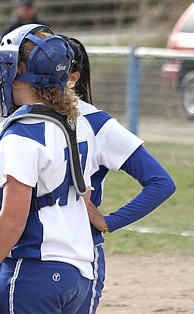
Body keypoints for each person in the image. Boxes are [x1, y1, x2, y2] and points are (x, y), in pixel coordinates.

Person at [0, 24, 99, 314]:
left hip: (33, 272)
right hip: (80, 273)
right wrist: (1, 189)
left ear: (20, 70)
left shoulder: (20, 134)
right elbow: (74, 189)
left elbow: (13, 219)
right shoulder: (78, 123)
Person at [62, 36, 176, 314]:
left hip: (81, 253)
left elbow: (161, 183)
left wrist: (108, 222)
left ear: (73, 77)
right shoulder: (22, 120)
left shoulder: (96, 123)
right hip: (29, 252)